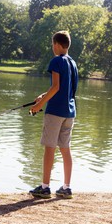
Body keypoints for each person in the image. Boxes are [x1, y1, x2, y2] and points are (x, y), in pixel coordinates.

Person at [29, 30, 78, 199]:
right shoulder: (72, 63)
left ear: (57, 45)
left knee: (50, 148)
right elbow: (65, 88)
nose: (52, 47)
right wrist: (44, 95)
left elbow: (56, 87)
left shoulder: (56, 61)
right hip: (70, 112)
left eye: (52, 44)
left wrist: (39, 105)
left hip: (55, 111)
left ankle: (44, 187)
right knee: (65, 149)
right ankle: (66, 187)